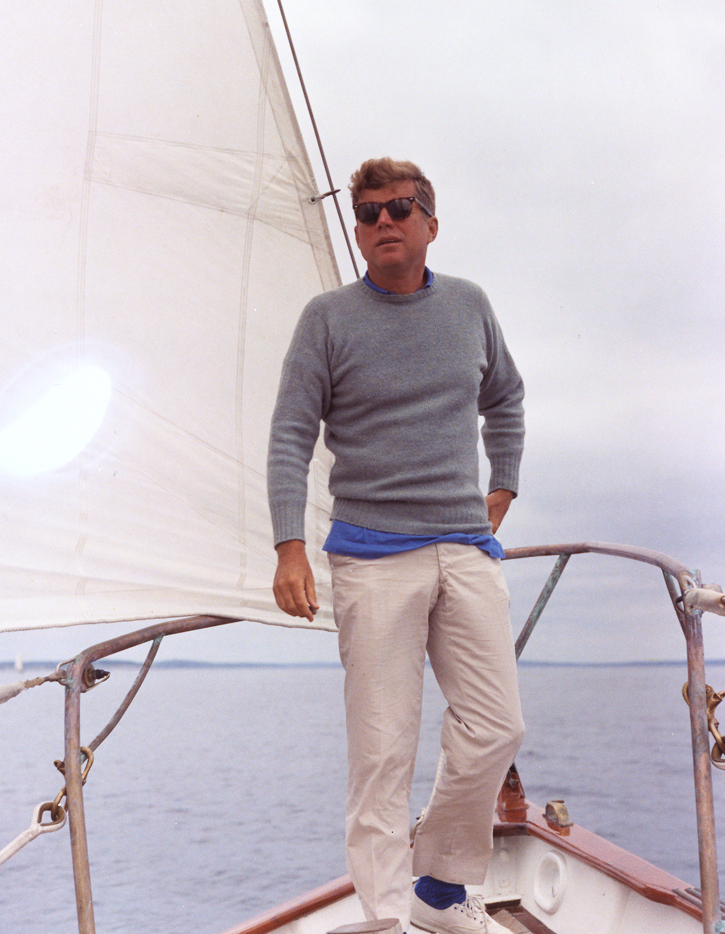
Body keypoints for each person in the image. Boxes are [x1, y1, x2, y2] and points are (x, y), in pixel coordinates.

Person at [267, 158, 525, 934]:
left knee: (496, 726)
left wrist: (501, 489)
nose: (385, 221)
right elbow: (290, 435)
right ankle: (385, 921)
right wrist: (289, 546)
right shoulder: (326, 319)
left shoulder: (471, 307)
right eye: (371, 212)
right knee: (383, 755)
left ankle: (441, 890)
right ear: (359, 231)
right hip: (371, 557)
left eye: (401, 209)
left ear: (430, 225)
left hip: (465, 547)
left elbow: (506, 400)